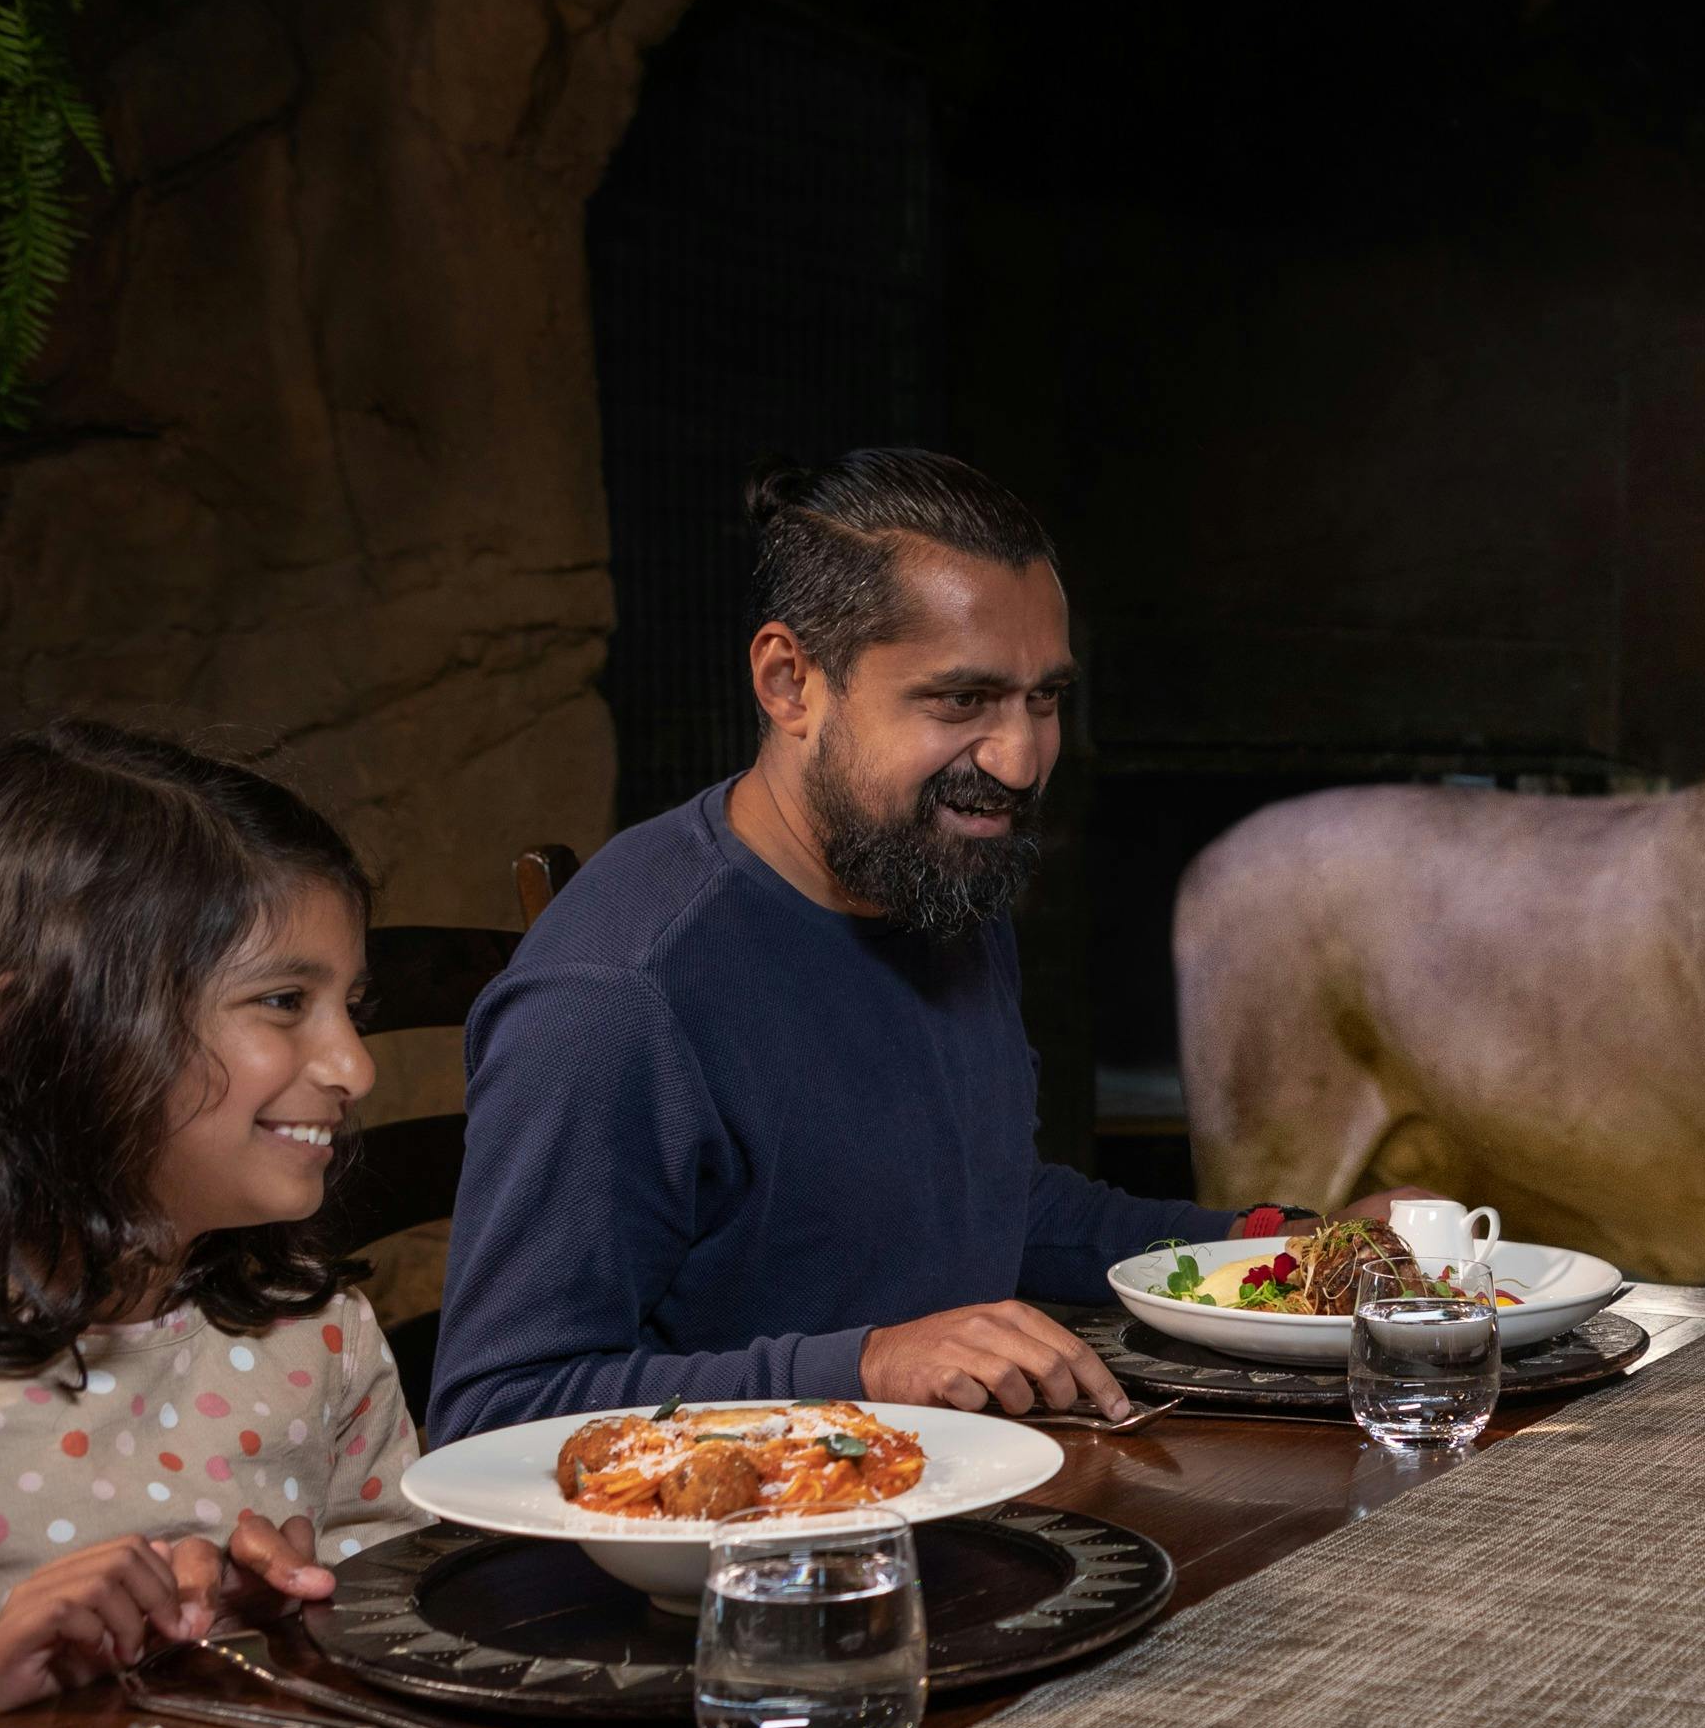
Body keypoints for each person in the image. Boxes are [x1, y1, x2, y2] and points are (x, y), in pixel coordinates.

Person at [435, 451, 1266, 1439]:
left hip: (954, 1506)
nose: (1019, 760)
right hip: (729, 1579)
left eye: (1043, 699)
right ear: (790, 683)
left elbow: (980, 1206)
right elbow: (494, 1415)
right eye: (960, 701)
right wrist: (865, 1365)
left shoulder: (931, 874)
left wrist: (1264, 1248)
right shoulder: (620, 994)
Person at [0, 725, 419, 1728]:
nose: (354, 1066)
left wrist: (287, 1623)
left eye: (348, 1005)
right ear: (29, 1030)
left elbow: (403, 1641)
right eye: (282, 1002)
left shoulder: (320, 1341)